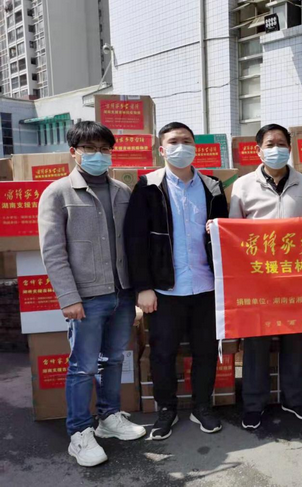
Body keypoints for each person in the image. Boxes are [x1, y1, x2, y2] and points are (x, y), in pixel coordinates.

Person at [38, 121, 146, 467]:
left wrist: (137, 289)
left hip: (122, 293)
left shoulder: (122, 191)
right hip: (86, 298)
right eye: (90, 149)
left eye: (104, 149)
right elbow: (52, 251)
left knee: (113, 360)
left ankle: (109, 418)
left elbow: (133, 243)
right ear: (74, 152)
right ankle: (79, 432)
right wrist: (68, 297)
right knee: (83, 367)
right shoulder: (58, 193)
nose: (98, 155)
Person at [124, 122, 228, 440]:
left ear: (195, 147)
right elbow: (135, 240)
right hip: (165, 288)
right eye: (173, 141)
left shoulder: (212, 186)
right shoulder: (148, 186)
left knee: (206, 351)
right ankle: (166, 409)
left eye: (186, 141)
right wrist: (143, 287)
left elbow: (227, 233)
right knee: (163, 353)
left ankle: (202, 406)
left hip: (207, 286)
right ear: (162, 149)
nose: (180, 146)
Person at [227, 123, 302, 430]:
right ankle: (254, 405)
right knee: (256, 344)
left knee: (295, 341)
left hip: (296, 279)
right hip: (257, 280)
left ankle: (295, 400)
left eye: (281, 144)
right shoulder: (243, 185)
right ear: (258, 150)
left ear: (290, 149)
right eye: (270, 144)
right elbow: (233, 232)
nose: (276, 149)